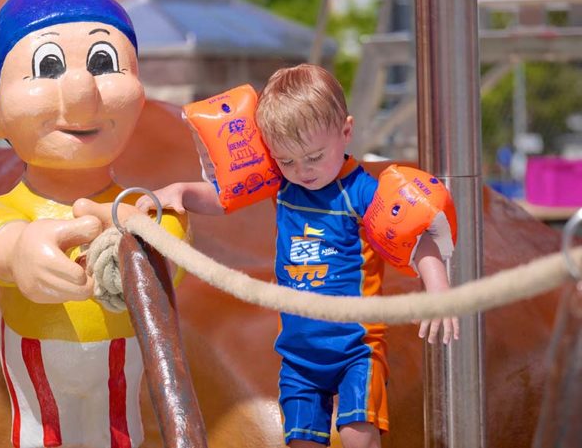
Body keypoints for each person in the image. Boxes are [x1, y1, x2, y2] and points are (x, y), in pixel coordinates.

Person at [136, 64, 459, 448]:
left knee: (359, 435)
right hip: (299, 353)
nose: (302, 171)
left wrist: (438, 291)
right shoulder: (282, 185)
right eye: (286, 160)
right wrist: (182, 193)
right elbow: (223, 199)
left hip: (356, 345)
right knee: (302, 441)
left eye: (314, 157)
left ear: (346, 132)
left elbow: (416, 238)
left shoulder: (360, 192)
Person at [0, 0, 187, 448]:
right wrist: (19, 251)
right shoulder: (11, 207)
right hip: (35, 345)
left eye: (104, 63)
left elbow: (170, 238)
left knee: (120, 431)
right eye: (48, 68)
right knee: (42, 434)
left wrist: (158, 239)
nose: (81, 92)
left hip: (121, 350)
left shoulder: (133, 204)